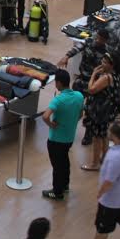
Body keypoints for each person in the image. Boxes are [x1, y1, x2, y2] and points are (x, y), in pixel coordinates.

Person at [41, 70, 85, 201]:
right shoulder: (79, 96)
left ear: (59, 83)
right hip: (69, 138)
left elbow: (45, 116)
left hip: (56, 139)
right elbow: (81, 114)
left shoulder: (58, 100)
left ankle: (57, 191)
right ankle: (65, 184)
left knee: (57, 166)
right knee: (65, 161)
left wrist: (51, 125)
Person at [81, 53, 118, 172]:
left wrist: (93, 74)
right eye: (102, 60)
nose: (102, 63)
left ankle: (95, 163)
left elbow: (91, 89)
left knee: (97, 137)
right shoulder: (113, 75)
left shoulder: (106, 77)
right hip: (106, 111)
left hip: (100, 112)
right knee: (103, 135)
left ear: (111, 65)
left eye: (105, 62)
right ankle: (105, 157)